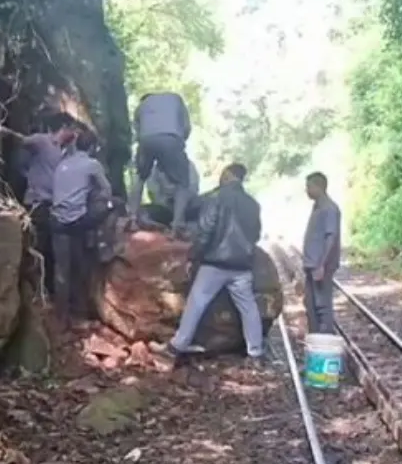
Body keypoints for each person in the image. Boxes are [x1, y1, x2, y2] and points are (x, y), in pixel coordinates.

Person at [151, 163, 265, 360]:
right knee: (248, 307)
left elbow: (206, 229)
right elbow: (255, 234)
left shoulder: (217, 197)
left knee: (196, 302)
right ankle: (255, 352)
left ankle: (177, 345)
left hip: (216, 263)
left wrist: (194, 255)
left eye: (222, 174)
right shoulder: (253, 204)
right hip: (241, 266)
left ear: (228, 175)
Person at [50, 127, 114, 329]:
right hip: (77, 222)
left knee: (61, 269)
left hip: (56, 221)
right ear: (93, 147)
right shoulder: (92, 164)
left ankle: (61, 317)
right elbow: (107, 189)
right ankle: (79, 314)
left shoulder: (62, 163)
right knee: (79, 268)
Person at [17, 118, 77, 294]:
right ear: (63, 127)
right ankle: (33, 290)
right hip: (37, 202)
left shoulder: (63, 151)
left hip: (54, 205)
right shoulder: (43, 141)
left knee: (52, 250)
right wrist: (25, 173)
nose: (74, 134)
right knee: (37, 246)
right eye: (72, 130)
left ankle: (47, 290)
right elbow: (21, 141)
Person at [127, 92, 194, 235]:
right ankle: (177, 224)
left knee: (140, 177)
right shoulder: (176, 98)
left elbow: (137, 133)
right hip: (171, 138)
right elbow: (187, 127)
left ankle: (131, 218)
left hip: (146, 139)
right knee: (182, 182)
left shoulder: (142, 105)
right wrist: (180, 142)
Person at [302, 171, 341, 334]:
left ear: (319, 187)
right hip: (313, 265)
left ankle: (325, 342)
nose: (307, 190)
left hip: (320, 266)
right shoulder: (318, 207)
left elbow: (331, 237)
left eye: (309, 186)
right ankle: (315, 338)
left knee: (322, 306)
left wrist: (321, 265)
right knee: (311, 304)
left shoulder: (329, 209)